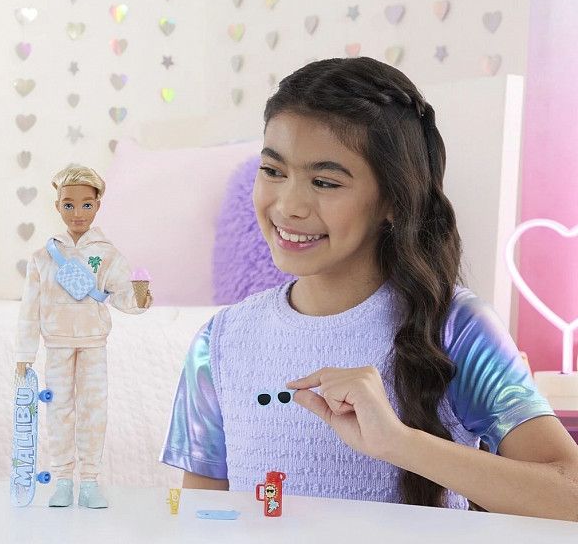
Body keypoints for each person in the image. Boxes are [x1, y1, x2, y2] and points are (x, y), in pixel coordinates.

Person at [160, 57, 578, 521]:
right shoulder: (220, 342)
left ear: (394, 201)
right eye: (273, 171)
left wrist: (398, 443)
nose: (289, 205)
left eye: (324, 182)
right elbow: (199, 518)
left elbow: (571, 493)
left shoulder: (454, 327)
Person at [14, 165, 153, 509]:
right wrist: (24, 354)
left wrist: (139, 298)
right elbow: (29, 309)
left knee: (94, 410)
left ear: (98, 206)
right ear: (57, 206)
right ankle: (63, 479)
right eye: (69, 205)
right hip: (56, 342)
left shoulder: (107, 254)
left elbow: (121, 295)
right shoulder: (43, 257)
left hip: (93, 341)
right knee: (58, 410)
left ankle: (89, 480)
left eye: (86, 205)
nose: (78, 213)